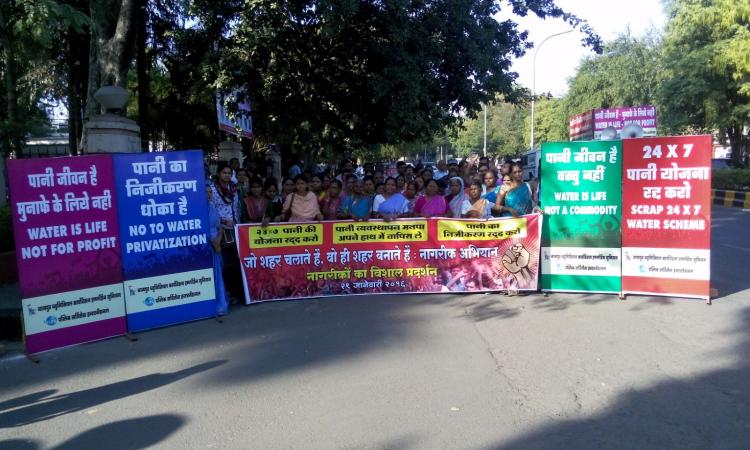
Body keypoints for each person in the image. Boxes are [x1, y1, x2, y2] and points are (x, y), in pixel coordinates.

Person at [210, 163, 241, 303]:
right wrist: (223, 221)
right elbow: (211, 209)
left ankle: (237, 292)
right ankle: (227, 294)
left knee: (236, 263)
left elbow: (236, 207)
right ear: (218, 173)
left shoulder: (233, 188)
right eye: (224, 172)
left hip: (235, 228)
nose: (227, 175)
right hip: (221, 230)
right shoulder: (212, 189)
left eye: (229, 173)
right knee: (226, 264)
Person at [207, 187, 228, 316]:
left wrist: (218, 240)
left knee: (218, 274)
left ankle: (221, 302)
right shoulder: (199, 208)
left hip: (217, 244)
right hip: (207, 245)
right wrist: (213, 242)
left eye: (210, 191)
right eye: (205, 191)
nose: (208, 194)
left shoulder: (212, 206)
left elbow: (219, 227)